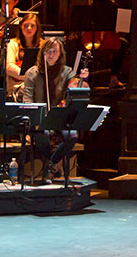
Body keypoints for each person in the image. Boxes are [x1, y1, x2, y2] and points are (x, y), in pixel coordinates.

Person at [21, 38, 88, 182]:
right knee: (42, 133)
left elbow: (74, 84)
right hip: (40, 118)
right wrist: (37, 117)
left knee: (72, 136)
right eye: (48, 51)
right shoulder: (32, 73)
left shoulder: (66, 72)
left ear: (60, 54)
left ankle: (50, 165)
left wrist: (81, 79)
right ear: (42, 53)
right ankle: (52, 167)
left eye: (54, 52)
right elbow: (27, 99)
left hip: (59, 117)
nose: (50, 55)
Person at [5, 13, 45, 99]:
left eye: (32, 26)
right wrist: (28, 77)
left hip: (37, 84)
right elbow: (9, 67)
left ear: (37, 28)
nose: (29, 28)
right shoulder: (12, 43)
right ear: (21, 27)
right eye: (25, 25)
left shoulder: (43, 45)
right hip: (17, 86)